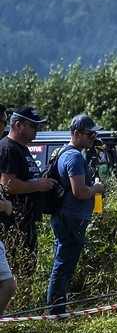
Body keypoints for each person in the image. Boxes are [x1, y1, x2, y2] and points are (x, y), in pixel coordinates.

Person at [45, 114, 108, 315]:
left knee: (62, 263)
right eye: (90, 134)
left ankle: (56, 309)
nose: (93, 137)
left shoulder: (65, 152)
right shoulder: (73, 156)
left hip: (66, 218)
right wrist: (97, 188)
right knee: (63, 266)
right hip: (70, 220)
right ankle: (57, 313)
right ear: (77, 134)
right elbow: (79, 191)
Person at [0, 107, 56, 280]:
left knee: (26, 268)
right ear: (18, 125)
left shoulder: (22, 148)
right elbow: (7, 184)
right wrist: (37, 186)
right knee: (16, 270)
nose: (36, 130)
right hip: (14, 222)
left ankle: (22, 301)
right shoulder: (8, 148)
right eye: (33, 126)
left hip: (26, 220)